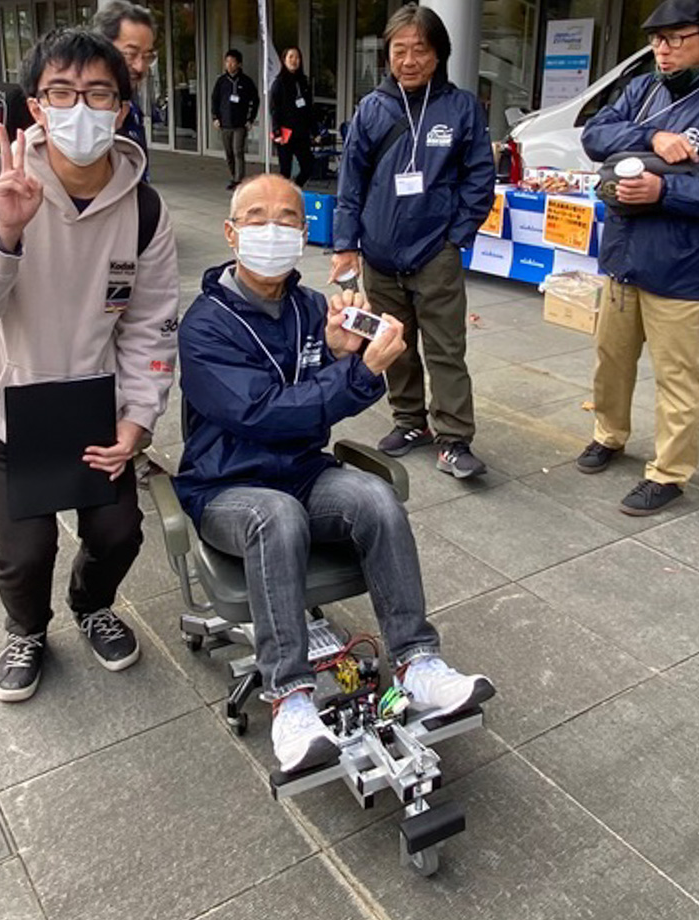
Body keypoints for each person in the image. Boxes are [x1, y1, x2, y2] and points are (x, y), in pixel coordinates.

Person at [177, 173, 496, 771]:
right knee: (276, 516)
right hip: (228, 486)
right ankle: (290, 698)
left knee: (374, 498)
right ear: (230, 233)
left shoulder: (309, 308)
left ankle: (418, 661)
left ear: (306, 232)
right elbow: (260, 414)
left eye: (289, 219)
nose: (273, 231)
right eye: (257, 218)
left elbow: (311, 388)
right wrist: (359, 374)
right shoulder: (204, 326)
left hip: (301, 471)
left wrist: (336, 350)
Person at [0, 27, 179, 702]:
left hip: (89, 403)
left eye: (98, 93)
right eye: (60, 92)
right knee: (24, 550)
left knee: (119, 531)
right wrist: (4, 233)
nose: (80, 107)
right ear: (36, 107)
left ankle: (91, 603)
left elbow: (150, 324)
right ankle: (27, 629)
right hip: (0, 400)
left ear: (122, 108)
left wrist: (138, 420)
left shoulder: (144, 208)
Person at [575, 0, 699, 516]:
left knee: (678, 376)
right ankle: (609, 433)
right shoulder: (644, 89)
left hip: (683, 263)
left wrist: (667, 192)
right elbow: (596, 134)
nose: (661, 50)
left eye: (673, 39)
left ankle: (670, 471)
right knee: (611, 361)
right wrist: (653, 135)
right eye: (656, 40)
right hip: (623, 254)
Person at [331, 5, 495, 480]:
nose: (408, 60)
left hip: (434, 253)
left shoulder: (461, 107)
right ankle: (409, 421)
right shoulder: (372, 108)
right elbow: (351, 183)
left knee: (446, 348)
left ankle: (454, 438)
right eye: (398, 50)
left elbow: (479, 178)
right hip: (381, 255)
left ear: (439, 54)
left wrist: (455, 238)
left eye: (419, 50)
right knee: (391, 344)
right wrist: (346, 244)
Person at [92, 0, 158, 177]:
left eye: (147, 56)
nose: (140, 67)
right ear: (102, 49)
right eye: (130, 54)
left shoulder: (131, 110)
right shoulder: (81, 115)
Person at [210, 48, 258, 188]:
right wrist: (215, 117)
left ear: (239, 64)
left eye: (232, 62)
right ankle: (233, 176)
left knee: (238, 151)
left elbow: (255, 100)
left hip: (240, 124)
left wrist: (250, 119)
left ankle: (239, 179)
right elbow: (215, 100)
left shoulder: (246, 81)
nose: (229, 64)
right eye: (227, 62)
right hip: (225, 123)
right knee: (229, 153)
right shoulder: (221, 81)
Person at [270, 46, 316, 186]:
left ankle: (295, 188)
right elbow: (274, 109)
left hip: (301, 133)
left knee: (308, 166)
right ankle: (284, 199)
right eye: (290, 57)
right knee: (285, 170)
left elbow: (309, 108)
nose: (294, 60)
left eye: (297, 57)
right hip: (285, 133)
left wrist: (315, 131)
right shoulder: (279, 83)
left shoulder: (304, 82)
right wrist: (276, 131)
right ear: (284, 60)